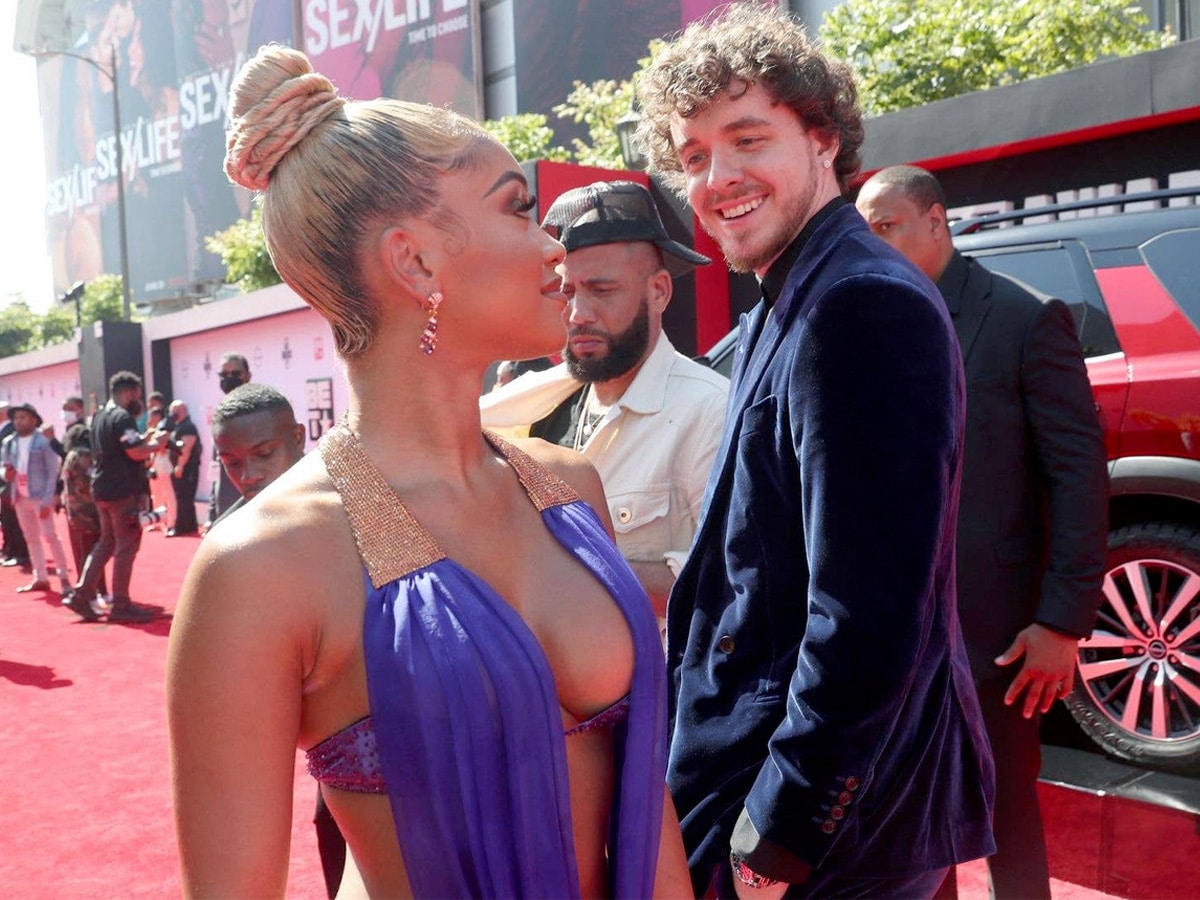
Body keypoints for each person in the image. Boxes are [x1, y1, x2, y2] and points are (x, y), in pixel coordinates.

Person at [168, 44, 688, 898]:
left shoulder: (571, 488)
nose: (554, 246)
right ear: (414, 262)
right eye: (519, 210)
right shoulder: (260, 569)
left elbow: (644, 798)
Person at [636, 5, 996, 896]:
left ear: (823, 139)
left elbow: (868, 617)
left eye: (747, 139)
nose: (719, 178)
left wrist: (780, 839)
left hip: (831, 833)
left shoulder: (858, 306)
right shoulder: (789, 299)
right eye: (693, 157)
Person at [856, 164, 1109, 899]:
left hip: (992, 629)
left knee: (1005, 816)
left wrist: (1060, 622)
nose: (871, 244)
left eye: (886, 226)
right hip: (892, 627)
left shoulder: (1025, 318)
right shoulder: (871, 323)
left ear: (936, 220)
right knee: (907, 818)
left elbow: (1078, 479)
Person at [482, 180, 729, 615]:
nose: (578, 314)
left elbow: (727, 579)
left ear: (659, 292)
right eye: (569, 292)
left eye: (602, 290)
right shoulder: (536, 409)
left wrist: (561, 569)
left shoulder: (709, 410)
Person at [63, 371, 161, 623]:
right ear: (128, 392)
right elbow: (135, 452)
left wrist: (143, 442)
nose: (139, 400)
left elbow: (119, 448)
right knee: (126, 545)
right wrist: (156, 445)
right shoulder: (122, 417)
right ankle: (121, 603)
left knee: (106, 542)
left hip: (102, 489)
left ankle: (82, 594)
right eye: (137, 394)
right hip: (121, 491)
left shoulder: (99, 416)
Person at [1, 404, 72, 595]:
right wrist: (7, 473)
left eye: (23, 417)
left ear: (33, 419)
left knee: (50, 536)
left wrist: (49, 499)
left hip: (40, 496)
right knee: (31, 538)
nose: (19, 421)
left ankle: (64, 576)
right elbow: (4, 468)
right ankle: (40, 577)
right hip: (20, 496)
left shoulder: (43, 442)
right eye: (16, 418)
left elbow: (53, 471)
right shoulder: (10, 442)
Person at [209, 383, 307, 522]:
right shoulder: (228, 537)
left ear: (298, 438)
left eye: (264, 453)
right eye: (232, 463)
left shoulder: (345, 504)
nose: (248, 476)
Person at [60, 422, 108, 603]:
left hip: (74, 512)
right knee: (92, 555)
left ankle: (95, 591)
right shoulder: (84, 456)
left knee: (84, 553)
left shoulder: (71, 456)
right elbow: (91, 482)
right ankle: (93, 593)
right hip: (88, 512)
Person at [203, 352, 252, 530]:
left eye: (235, 374)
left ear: (247, 375)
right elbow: (216, 467)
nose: (229, 379)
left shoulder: (262, 412)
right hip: (224, 515)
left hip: (252, 514)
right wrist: (211, 514)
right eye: (224, 375)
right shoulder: (220, 414)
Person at [0, 401, 30, 571]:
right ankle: (11, 550)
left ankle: (21, 553)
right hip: (4, 479)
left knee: (15, 519)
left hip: (13, 482)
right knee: (7, 519)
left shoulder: (10, 431)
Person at [165, 400, 201, 536]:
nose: (171, 414)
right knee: (183, 497)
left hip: (187, 468)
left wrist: (180, 466)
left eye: (174, 410)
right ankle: (189, 526)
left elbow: (186, 448)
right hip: (181, 467)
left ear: (182, 411)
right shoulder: (178, 426)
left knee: (183, 498)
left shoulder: (188, 427)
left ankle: (181, 527)